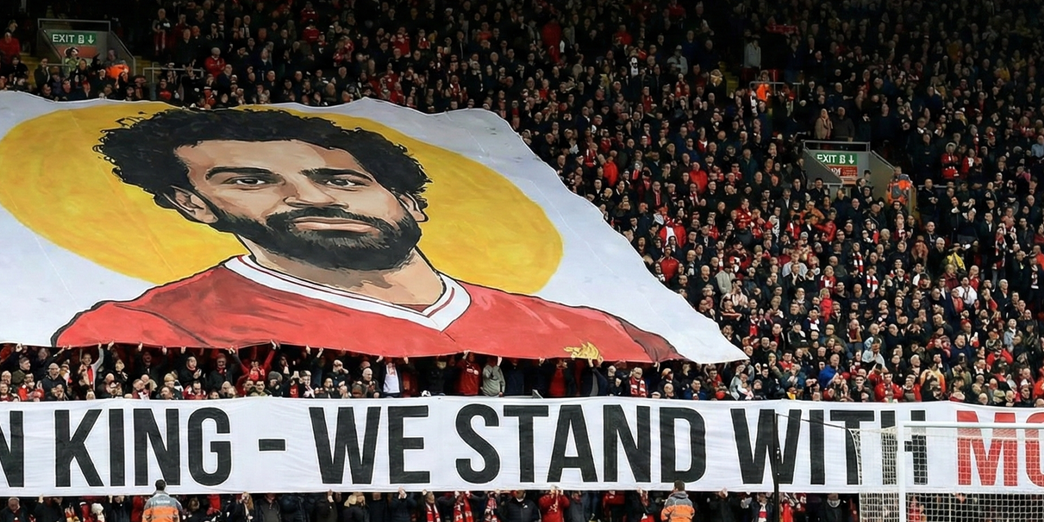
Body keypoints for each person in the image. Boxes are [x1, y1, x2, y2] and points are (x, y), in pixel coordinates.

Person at [54, 109, 676, 363]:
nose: (312, 196)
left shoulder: (603, 332)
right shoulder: (152, 329)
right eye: (251, 179)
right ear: (195, 205)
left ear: (407, 201)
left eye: (340, 180)